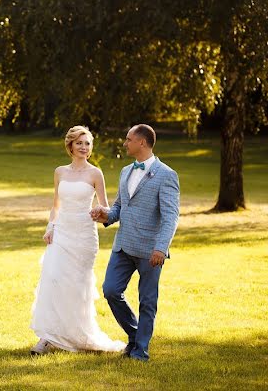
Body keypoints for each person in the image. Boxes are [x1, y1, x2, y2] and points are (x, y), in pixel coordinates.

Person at [30, 126, 127, 355]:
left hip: (83, 237)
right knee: (52, 280)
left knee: (75, 286)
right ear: (70, 146)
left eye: (87, 144)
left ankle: (74, 334)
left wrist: (99, 212)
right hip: (61, 233)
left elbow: (106, 206)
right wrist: (50, 227)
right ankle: (47, 337)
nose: (84, 147)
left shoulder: (95, 174)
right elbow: (56, 205)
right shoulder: (60, 172)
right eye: (80, 143)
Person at [90, 124, 180, 362]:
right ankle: (136, 334)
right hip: (123, 246)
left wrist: (161, 247)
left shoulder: (166, 175)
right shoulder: (125, 171)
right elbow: (121, 206)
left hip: (151, 251)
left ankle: (140, 351)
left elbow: (171, 216)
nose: (125, 142)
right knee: (110, 290)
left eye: (128, 139)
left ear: (142, 142)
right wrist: (106, 215)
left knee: (147, 302)